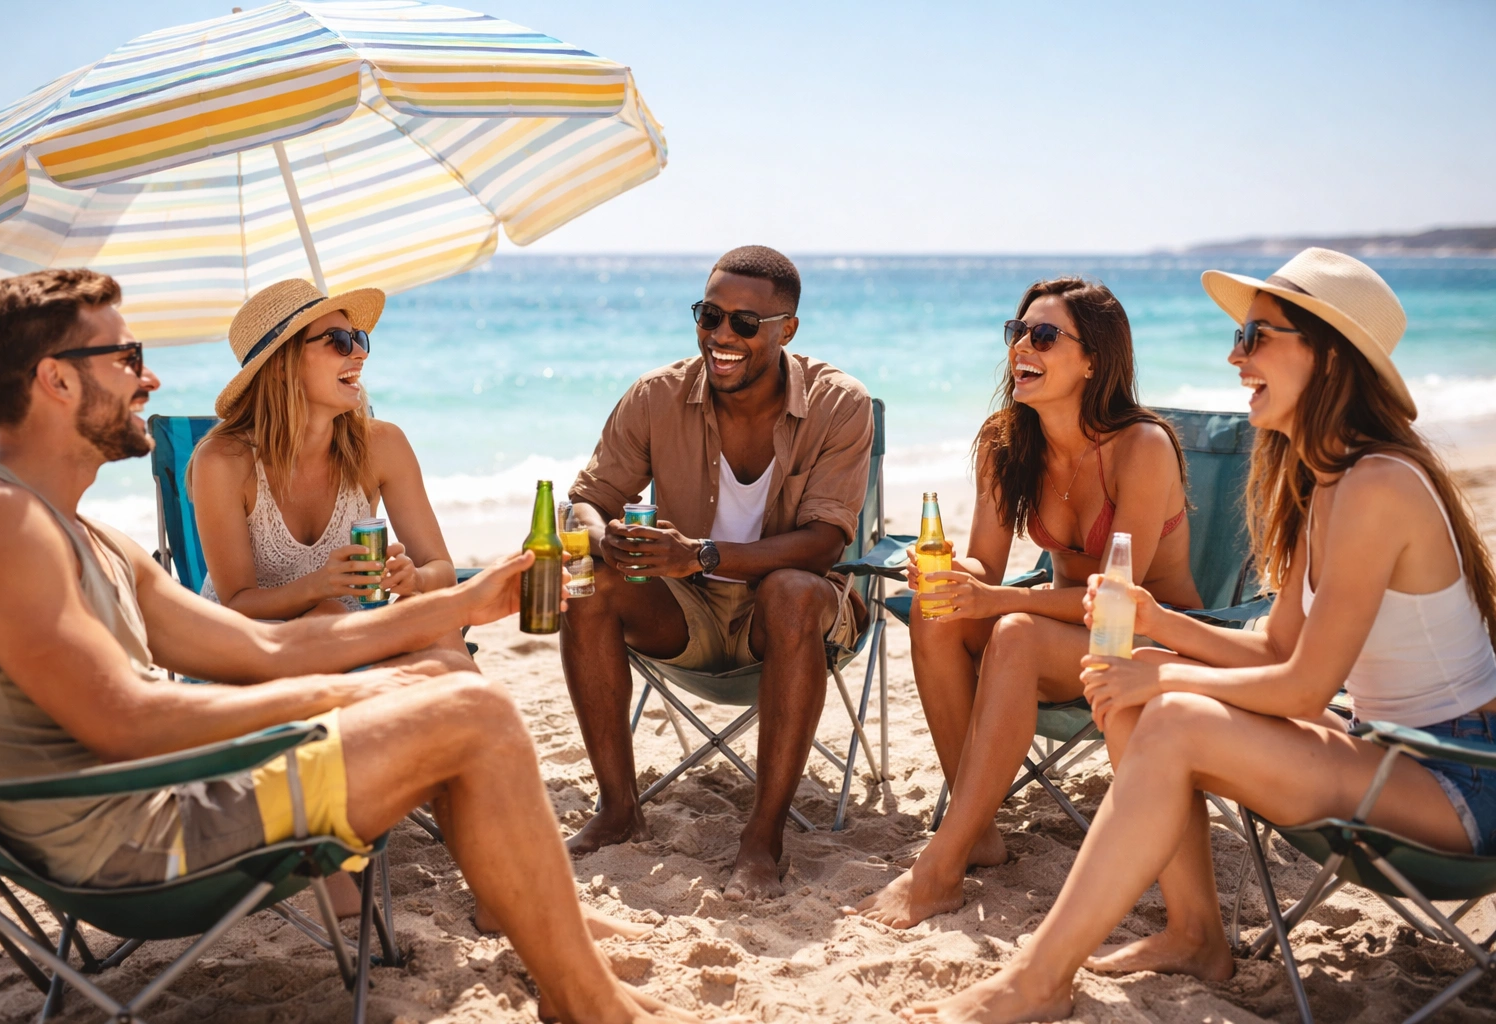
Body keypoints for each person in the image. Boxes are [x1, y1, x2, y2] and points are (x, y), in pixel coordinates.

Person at [0, 269, 707, 1024]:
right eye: (126, 358)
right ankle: (591, 1006)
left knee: (460, 698)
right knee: (470, 714)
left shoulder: (89, 536)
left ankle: (570, 981)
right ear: (55, 380)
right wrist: (356, 692)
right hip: (138, 846)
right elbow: (125, 720)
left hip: (171, 804)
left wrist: (458, 603)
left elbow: (266, 649)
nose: (149, 377)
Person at [902, 249, 1496, 1023]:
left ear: (1327, 358)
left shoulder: (1378, 485)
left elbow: (1305, 688)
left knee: (1166, 706)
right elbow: (1277, 651)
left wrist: (1163, 677)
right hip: (1384, 748)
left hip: (1455, 778)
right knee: (1139, 686)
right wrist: (1157, 630)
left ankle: (1037, 980)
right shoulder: (1329, 484)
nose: (1234, 354)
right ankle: (1195, 933)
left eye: (1257, 336)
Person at [852, 277, 1199, 928]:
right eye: (1017, 333)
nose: (1021, 348)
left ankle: (942, 864)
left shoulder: (1142, 447)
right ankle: (975, 828)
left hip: (1153, 638)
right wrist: (955, 576)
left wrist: (994, 601)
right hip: (1067, 630)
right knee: (938, 608)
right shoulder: (1006, 441)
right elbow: (986, 565)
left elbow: (1123, 602)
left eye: (1043, 336)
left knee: (1012, 630)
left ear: (1093, 359)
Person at [560, 246, 874, 900]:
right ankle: (619, 812)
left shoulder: (839, 402)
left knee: (790, 591)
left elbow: (823, 542)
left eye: (744, 323)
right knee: (587, 585)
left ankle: (763, 838)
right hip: (686, 613)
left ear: (787, 328)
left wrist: (699, 554)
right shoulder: (655, 396)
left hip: (798, 616)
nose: (721, 336)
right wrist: (602, 535)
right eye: (709, 316)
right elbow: (585, 499)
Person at [191, 279, 459, 624]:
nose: (360, 353)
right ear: (282, 365)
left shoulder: (383, 446)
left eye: (358, 338)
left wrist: (415, 578)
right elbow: (237, 604)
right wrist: (320, 586)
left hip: (348, 636)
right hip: (252, 644)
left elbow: (442, 571)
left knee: (433, 620)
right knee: (330, 611)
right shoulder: (223, 461)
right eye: (339, 341)